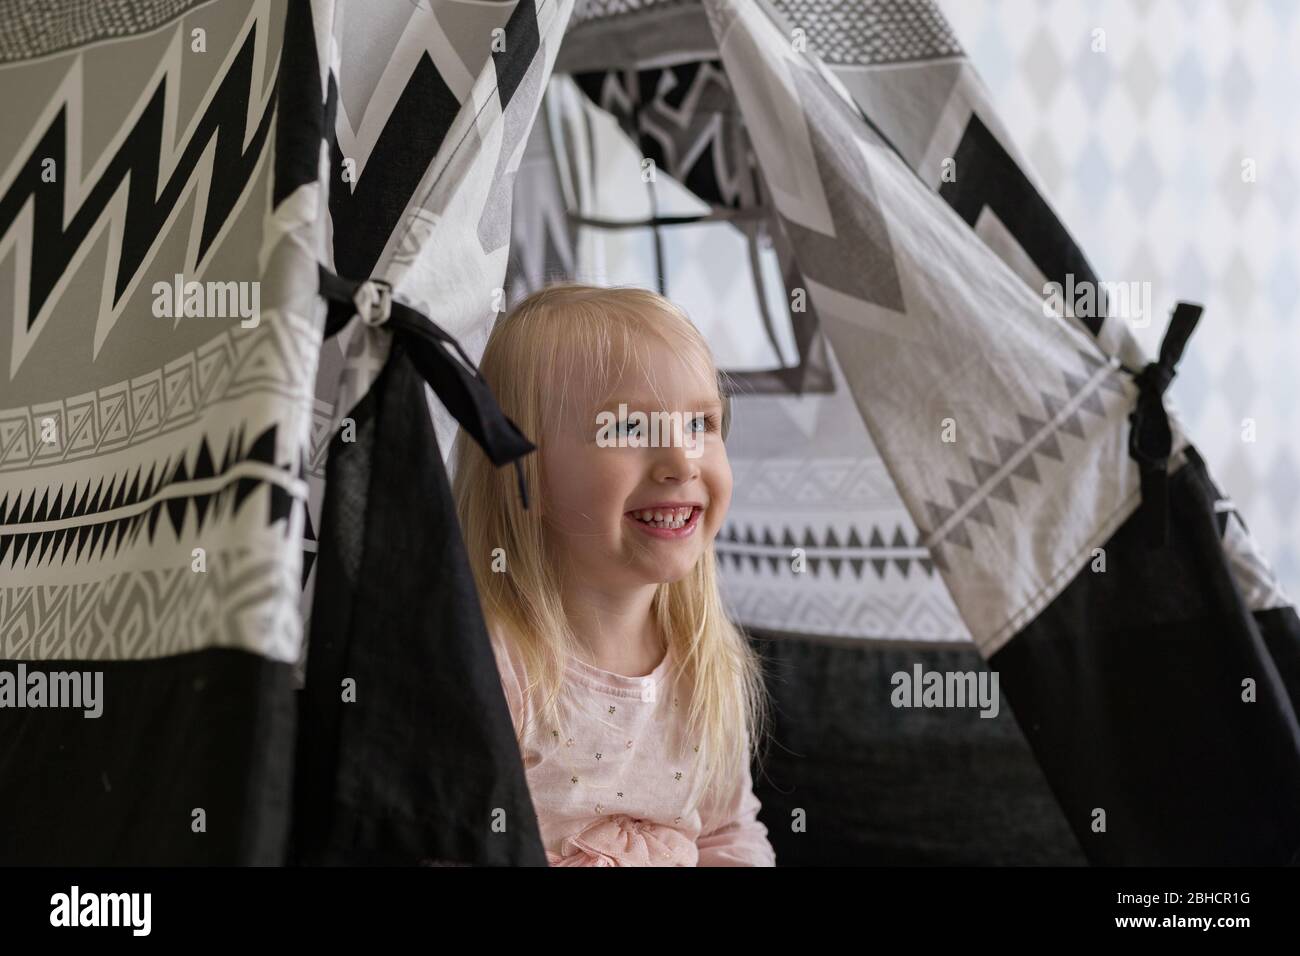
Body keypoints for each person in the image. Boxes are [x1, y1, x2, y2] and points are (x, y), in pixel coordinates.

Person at [451, 283, 775, 866]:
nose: (681, 462)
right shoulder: (497, 666)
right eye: (628, 430)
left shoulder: (705, 656)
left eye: (701, 423)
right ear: (526, 475)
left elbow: (729, 833)